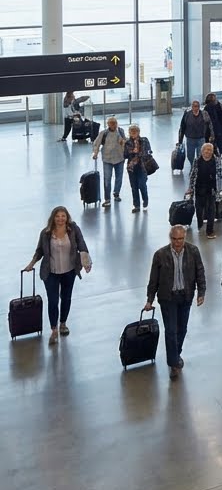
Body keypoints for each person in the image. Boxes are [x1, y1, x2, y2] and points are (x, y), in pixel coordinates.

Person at [144, 225, 207, 380]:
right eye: (174, 239)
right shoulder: (160, 255)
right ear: (170, 238)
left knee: (182, 329)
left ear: (184, 237)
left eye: (180, 239)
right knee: (171, 331)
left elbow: (200, 271)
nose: (178, 242)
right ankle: (174, 364)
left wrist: (201, 292)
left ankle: (175, 354)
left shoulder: (193, 251)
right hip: (167, 298)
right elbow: (154, 279)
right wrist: (149, 299)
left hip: (185, 296)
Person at [22, 206, 92, 345]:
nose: (60, 219)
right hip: (51, 272)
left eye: (63, 216)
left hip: (69, 271)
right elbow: (40, 251)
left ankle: (63, 323)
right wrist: (31, 264)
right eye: (57, 216)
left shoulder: (73, 230)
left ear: (67, 218)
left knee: (66, 298)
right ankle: (54, 329)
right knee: (53, 301)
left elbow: (82, 245)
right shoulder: (46, 233)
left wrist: (86, 261)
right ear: (53, 218)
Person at [187, 142, 222, 238]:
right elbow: (193, 175)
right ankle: (200, 223)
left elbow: (219, 175)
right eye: (205, 150)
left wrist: (219, 190)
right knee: (199, 208)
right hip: (199, 188)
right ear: (202, 151)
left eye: (209, 150)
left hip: (211, 189)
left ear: (212, 152)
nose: (207, 151)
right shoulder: (197, 161)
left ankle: (210, 231)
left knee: (212, 210)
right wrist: (190, 188)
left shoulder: (216, 161)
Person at [91, 116, 127, 208]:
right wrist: (95, 153)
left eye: (115, 123)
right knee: (107, 179)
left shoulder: (121, 131)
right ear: (108, 125)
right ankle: (107, 199)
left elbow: (125, 142)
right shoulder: (104, 133)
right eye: (111, 123)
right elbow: (97, 143)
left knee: (119, 177)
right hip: (107, 159)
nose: (113, 125)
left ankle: (116, 193)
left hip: (119, 158)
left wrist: (123, 143)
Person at [123, 124, 153, 214]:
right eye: (131, 132)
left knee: (142, 185)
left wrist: (140, 152)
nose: (133, 134)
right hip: (132, 168)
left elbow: (149, 151)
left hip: (142, 166)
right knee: (134, 187)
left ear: (138, 132)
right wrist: (132, 152)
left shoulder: (144, 140)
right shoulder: (127, 142)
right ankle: (136, 205)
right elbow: (125, 155)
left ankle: (145, 199)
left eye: (135, 132)